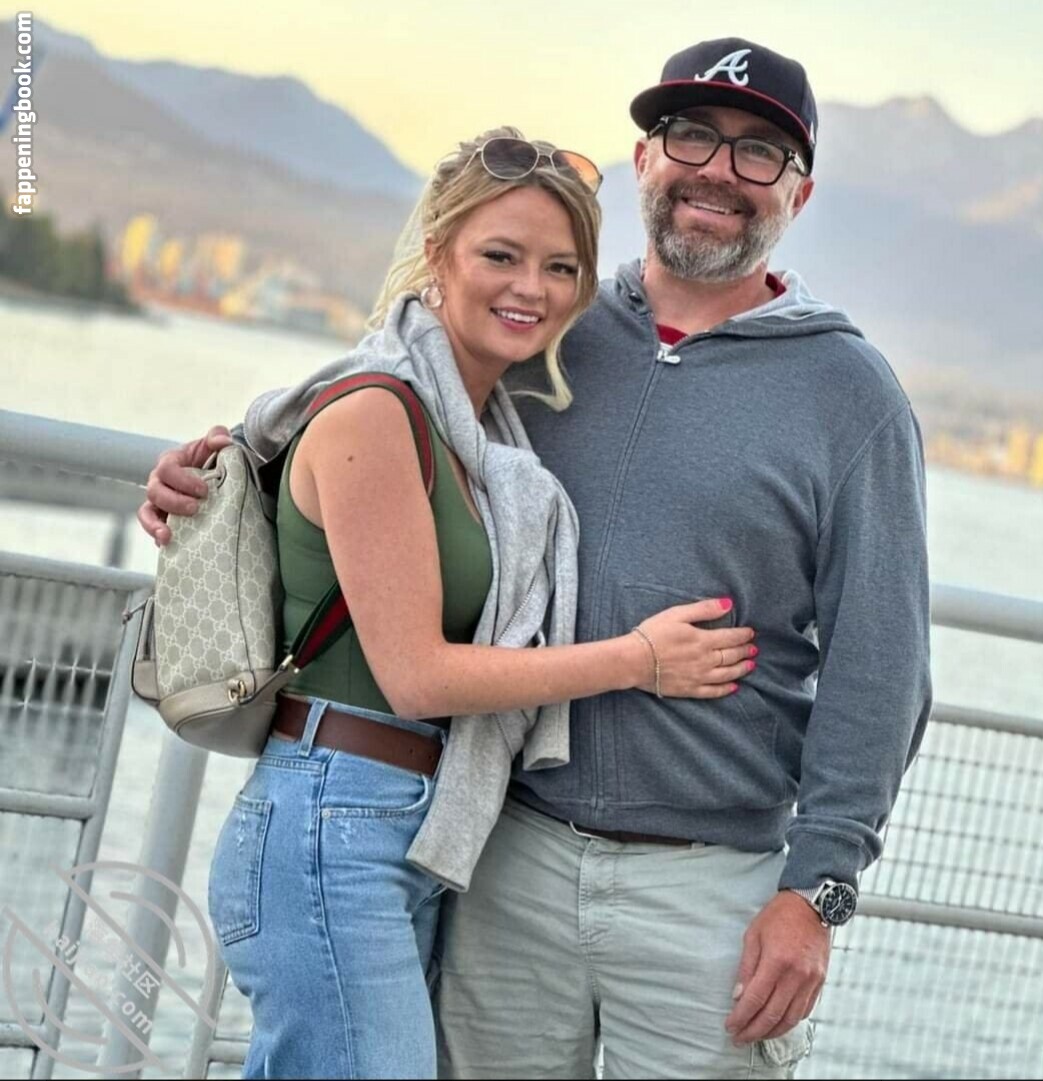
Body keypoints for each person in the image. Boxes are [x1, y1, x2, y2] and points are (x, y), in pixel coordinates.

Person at [141, 37, 932, 1081]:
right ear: (645, 158)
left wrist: (818, 890)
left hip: (706, 895)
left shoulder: (851, 395)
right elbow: (386, 399)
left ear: (801, 191)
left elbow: (883, 667)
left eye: (758, 153)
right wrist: (220, 471)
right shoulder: (550, 327)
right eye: (691, 136)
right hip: (501, 859)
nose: (717, 171)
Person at [159, 127, 756, 1080]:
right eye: (501, 256)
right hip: (331, 824)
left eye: (561, 268)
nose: (533, 289)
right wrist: (639, 661)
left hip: (408, 826)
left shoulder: (482, 434)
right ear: (438, 254)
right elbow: (416, 674)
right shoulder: (378, 412)